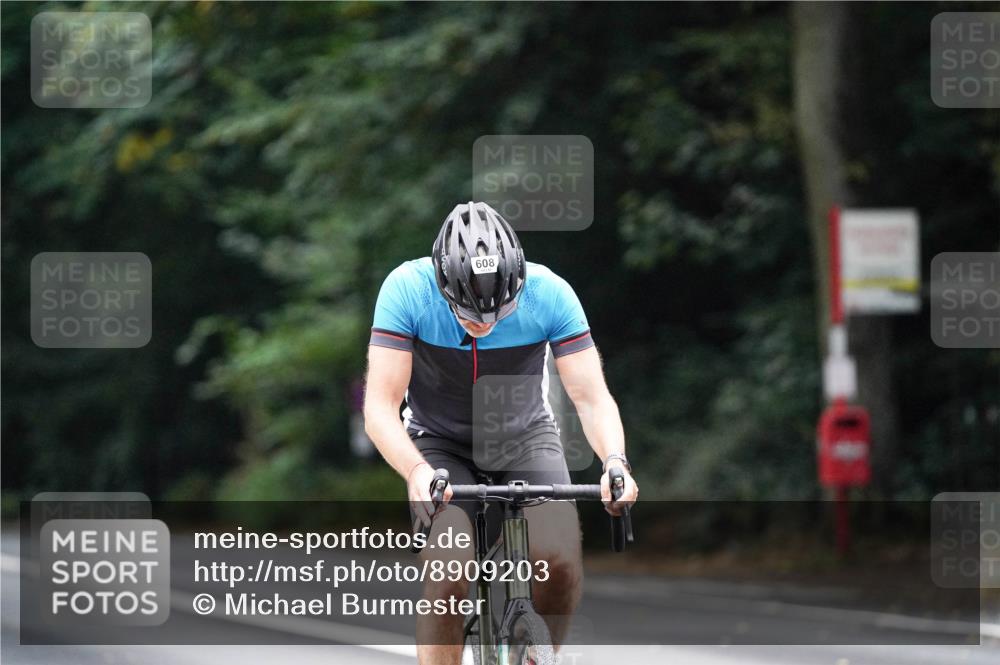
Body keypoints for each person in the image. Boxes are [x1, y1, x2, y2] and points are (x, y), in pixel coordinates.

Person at [364, 201, 638, 665]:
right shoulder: (406, 290)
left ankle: (536, 656)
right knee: (450, 573)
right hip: (437, 442)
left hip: (525, 435)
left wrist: (615, 461)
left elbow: (591, 397)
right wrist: (415, 471)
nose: (485, 325)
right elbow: (380, 407)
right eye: (470, 316)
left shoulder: (550, 292)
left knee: (560, 559)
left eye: (499, 312)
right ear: (441, 282)